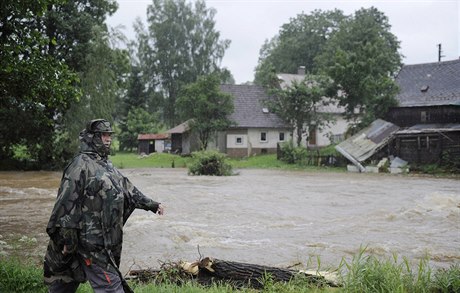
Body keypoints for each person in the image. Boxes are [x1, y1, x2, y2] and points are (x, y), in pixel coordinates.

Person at [43, 119, 164, 293]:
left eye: (109, 135)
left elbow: (126, 187)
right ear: (92, 137)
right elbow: (66, 205)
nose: (108, 139)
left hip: (103, 239)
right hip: (90, 244)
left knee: (64, 285)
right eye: (103, 135)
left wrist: (152, 204)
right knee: (110, 287)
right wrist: (66, 241)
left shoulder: (105, 164)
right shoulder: (79, 165)